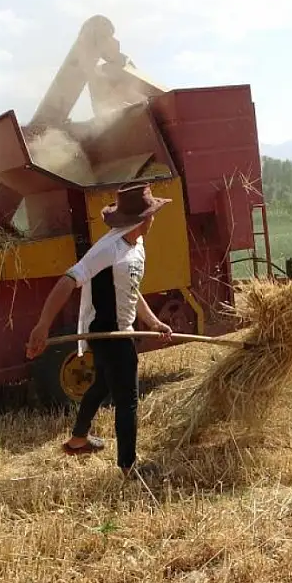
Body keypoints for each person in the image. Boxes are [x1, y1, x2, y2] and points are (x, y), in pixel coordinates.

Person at [25, 183, 173, 477]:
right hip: (110, 334)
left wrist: (153, 321)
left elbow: (130, 289)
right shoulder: (107, 249)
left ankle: (78, 439)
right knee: (128, 400)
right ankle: (129, 467)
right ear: (144, 219)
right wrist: (42, 326)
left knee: (102, 385)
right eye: (152, 214)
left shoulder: (137, 245)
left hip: (123, 330)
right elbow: (67, 280)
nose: (154, 218)